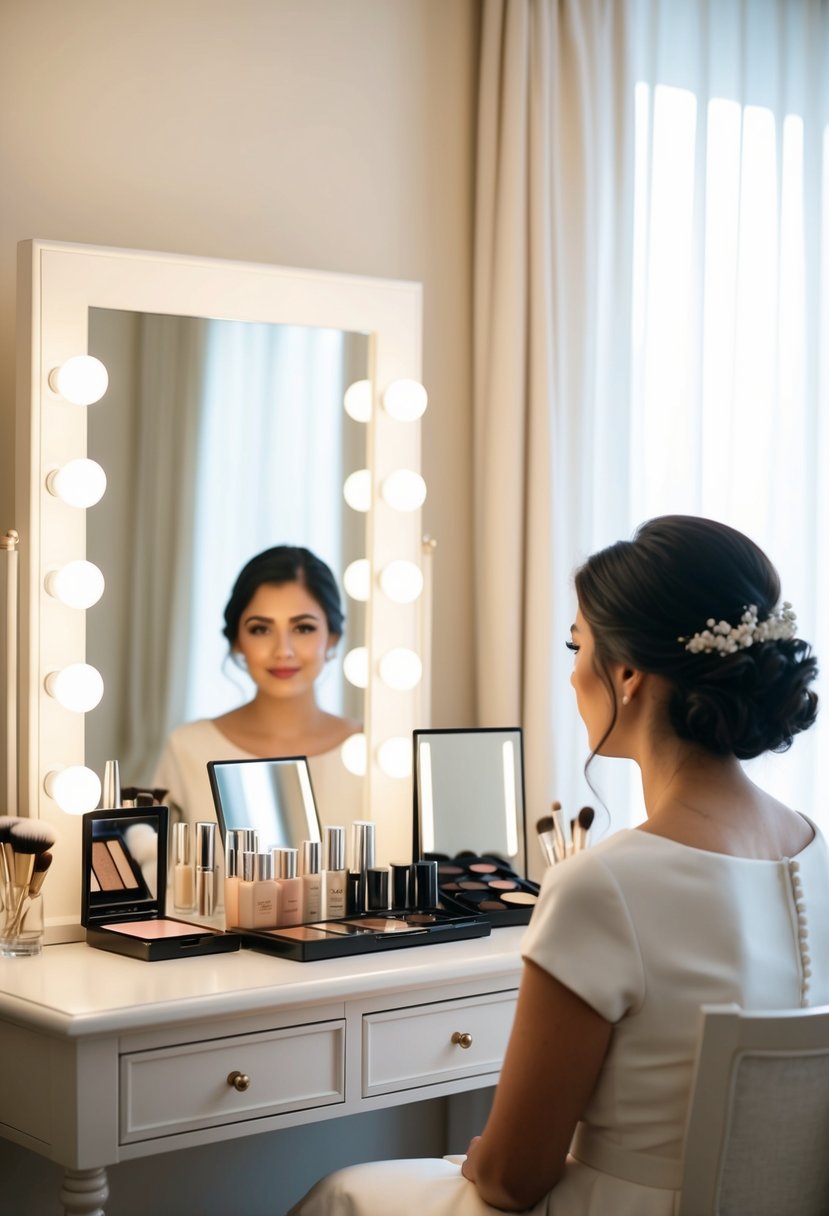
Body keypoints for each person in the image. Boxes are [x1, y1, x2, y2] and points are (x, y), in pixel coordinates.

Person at [289, 515, 827, 1216]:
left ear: (628, 675)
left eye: (577, 645)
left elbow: (513, 1179)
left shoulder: (605, 886)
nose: (572, 672)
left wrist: (481, 1155)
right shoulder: (815, 855)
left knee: (343, 1191)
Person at [153, 545, 363, 834]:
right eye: (260, 629)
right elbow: (159, 874)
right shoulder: (189, 748)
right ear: (237, 641)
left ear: (332, 640)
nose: (283, 651)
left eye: (303, 628)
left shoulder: (370, 752)